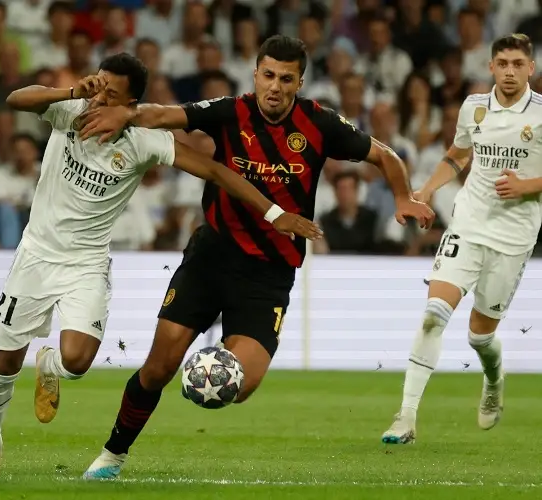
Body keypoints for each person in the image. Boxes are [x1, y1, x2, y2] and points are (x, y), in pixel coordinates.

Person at [77, 35, 435, 480]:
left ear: (299, 82)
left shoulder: (320, 124)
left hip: (268, 275)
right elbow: (169, 114)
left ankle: (207, 372)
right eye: (268, 75)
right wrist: (124, 113)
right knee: (158, 368)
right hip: (211, 257)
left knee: (239, 387)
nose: (275, 86)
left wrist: (403, 197)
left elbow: (385, 156)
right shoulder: (231, 111)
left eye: (286, 78)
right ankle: (112, 455)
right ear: (256, 75)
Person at [0, 52, 321, 479]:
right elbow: (15, 99)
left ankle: (51, 366)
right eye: (98, 85)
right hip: (36, 255)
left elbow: (215, 171)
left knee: (77, 361)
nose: (99, 98)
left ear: (131, 103)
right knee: (5, 361)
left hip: (86, 263)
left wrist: (273, 214)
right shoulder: (71, 110)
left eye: (111, 94)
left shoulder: (145, 140)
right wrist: (69, 91)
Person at [381, 33, 542, 444]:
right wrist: (426, 190)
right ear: (490, 67)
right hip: (467, 226)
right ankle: (406, 417)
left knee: (480, 335)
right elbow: (458, 154)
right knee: (434, 313)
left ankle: (493, 379)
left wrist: (529, 186)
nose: (509, 72)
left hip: (513, 238)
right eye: (502, 63)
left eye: (517, 65)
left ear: (531, 69)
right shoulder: (474, 107)